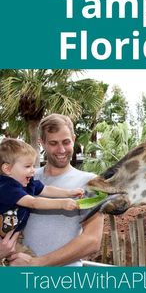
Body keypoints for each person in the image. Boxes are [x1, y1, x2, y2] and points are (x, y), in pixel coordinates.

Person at [9, 114, 104, 266]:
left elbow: (92, 240)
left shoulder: (90, 182)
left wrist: (38, 263)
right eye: (53, 143)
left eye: (66, 142)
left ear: (73, 138)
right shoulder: (26, 178)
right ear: (42, 143)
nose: (61, 150)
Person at [0, 138, 84, 241]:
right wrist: (62, 203)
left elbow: (46, 189)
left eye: (32, 166)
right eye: (27, 166)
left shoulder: (26, 183)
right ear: (7, 169)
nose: (33, 171)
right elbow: (33, 202)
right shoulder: (6, 187)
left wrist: (69, 192)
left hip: (11, 236)